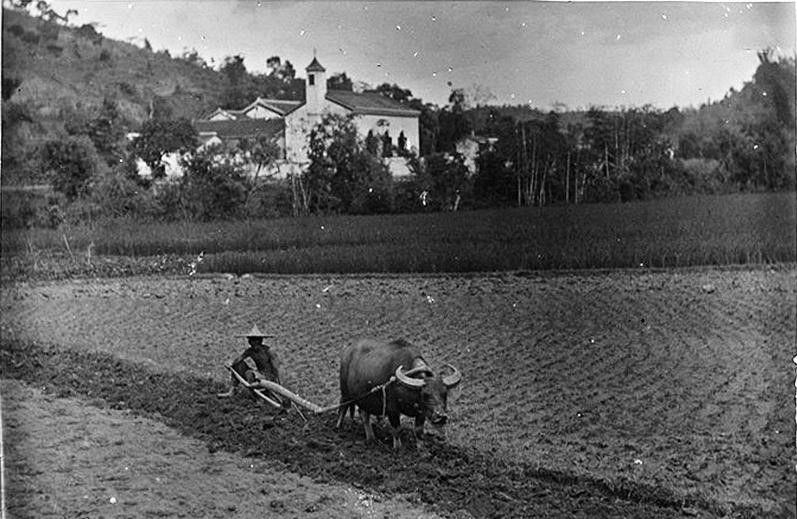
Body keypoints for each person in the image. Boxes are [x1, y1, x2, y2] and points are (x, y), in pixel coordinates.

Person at [217, 325, 289, 408]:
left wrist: (279, 383)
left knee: (249, 374)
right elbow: (240, 358)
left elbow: (276, 368)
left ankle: (259, 398)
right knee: (238, 365)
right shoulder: (250, 351)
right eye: (250, 340)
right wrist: (231, 364)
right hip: (259, 373)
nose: (251, 342)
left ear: (259, 341)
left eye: (253, 340)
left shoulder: (269, 351)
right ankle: (233, 390)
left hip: (268, 376)